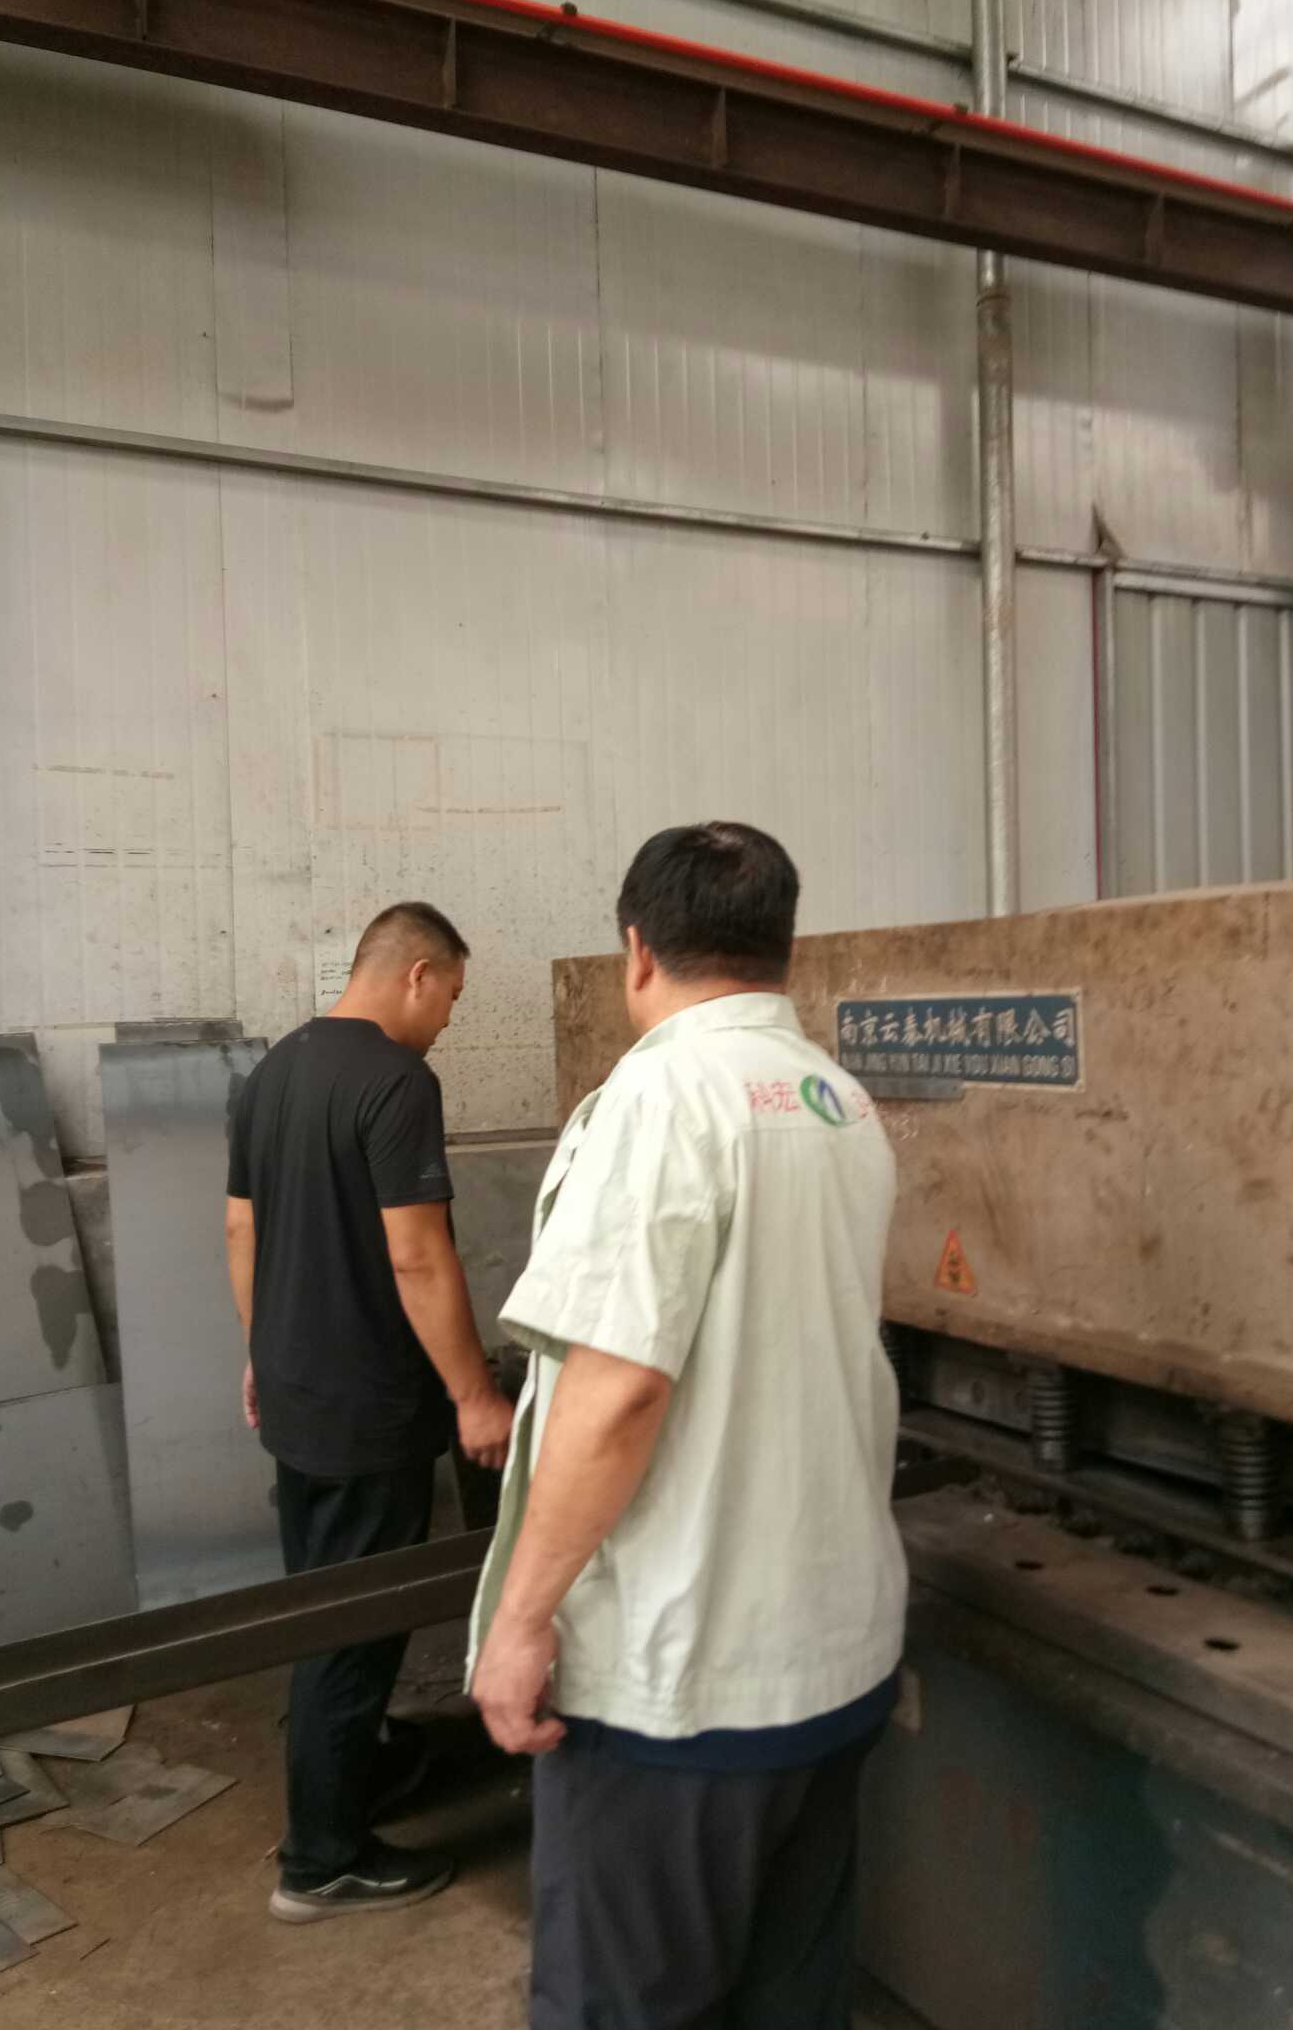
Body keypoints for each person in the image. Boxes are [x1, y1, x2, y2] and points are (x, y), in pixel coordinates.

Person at [469, 823, 908, 2029]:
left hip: (681, 1683)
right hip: (830, 1661)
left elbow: (618, 1392)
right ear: (784, 946)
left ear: (637, 949)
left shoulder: (660, 1098)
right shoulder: (836, 1099)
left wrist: (521, 1619)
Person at [225, 900, 515, 1924]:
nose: (449, 1022)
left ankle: (362, 1764)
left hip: (297, 1396)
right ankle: (322, 1861)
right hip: (367, 1407)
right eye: (453, 999)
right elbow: (417, 1253)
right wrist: (474, 1393)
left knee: (321, 1599)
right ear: (417, 974)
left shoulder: (272, 1072)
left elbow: (240, 1229)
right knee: (355, 1628)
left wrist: (261, 1352)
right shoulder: (397, 1081)